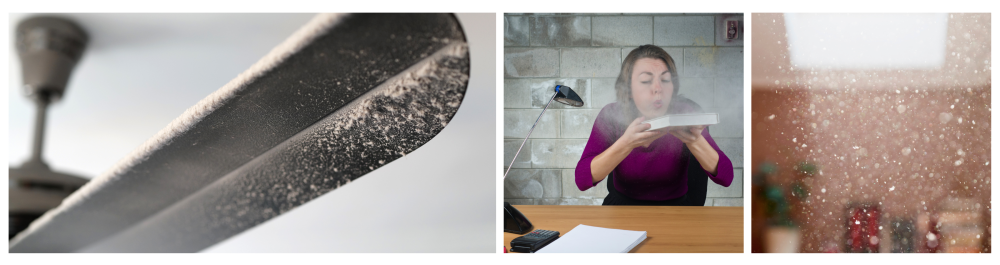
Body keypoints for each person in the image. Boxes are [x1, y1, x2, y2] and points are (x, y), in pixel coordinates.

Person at [574, 44, 733, 206]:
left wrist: (695, 141)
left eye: (665, 80)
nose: (658, 88)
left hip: (677, 209)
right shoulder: (612, 115)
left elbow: (726, 177)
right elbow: (582, 180)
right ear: (628, 89)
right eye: (645, 81)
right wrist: (626, 144)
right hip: (622, 207)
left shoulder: (685, 112)